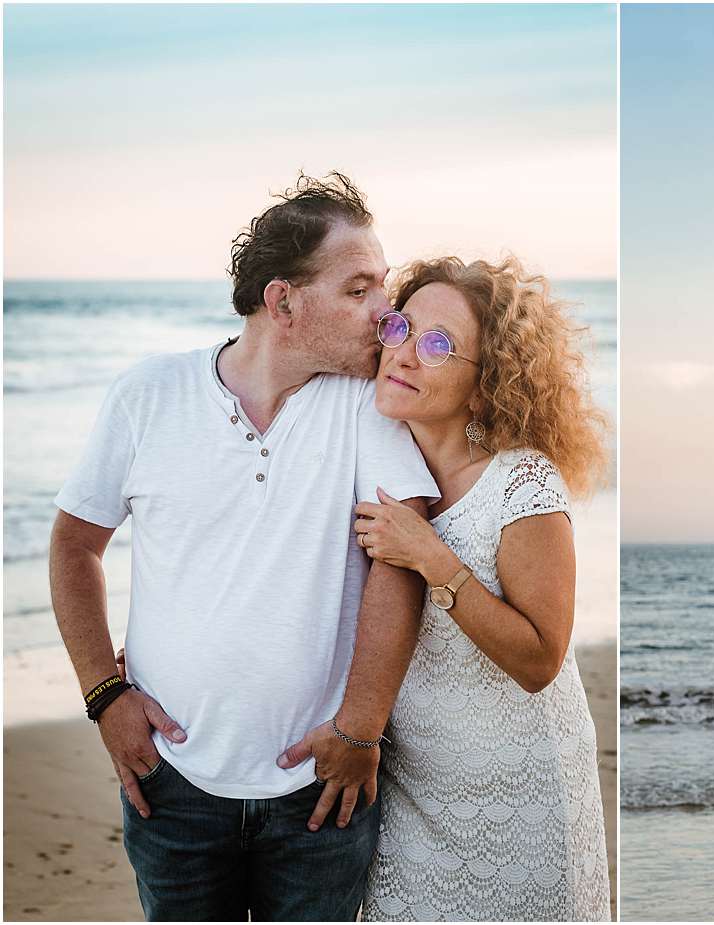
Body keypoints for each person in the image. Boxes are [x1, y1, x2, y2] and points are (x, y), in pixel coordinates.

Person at [48, 172, 439, 920]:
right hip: (173, 782)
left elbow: (401, 563)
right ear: (283, 300)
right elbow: (74, 546)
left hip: (321, 790)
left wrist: (360, 727)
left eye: (383, 287)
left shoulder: (368, 404)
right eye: (359, 290)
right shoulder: (148, 395)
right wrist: (105, 696)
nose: (388, 315)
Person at [346, 255, 612, 920]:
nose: (404, 353)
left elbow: (539, 658)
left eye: (439, 345)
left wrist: (432, 557)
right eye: (400, 328)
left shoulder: (521, 484)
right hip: (413, 800)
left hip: (521, 802)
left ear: (484, 382)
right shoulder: (369, 451)